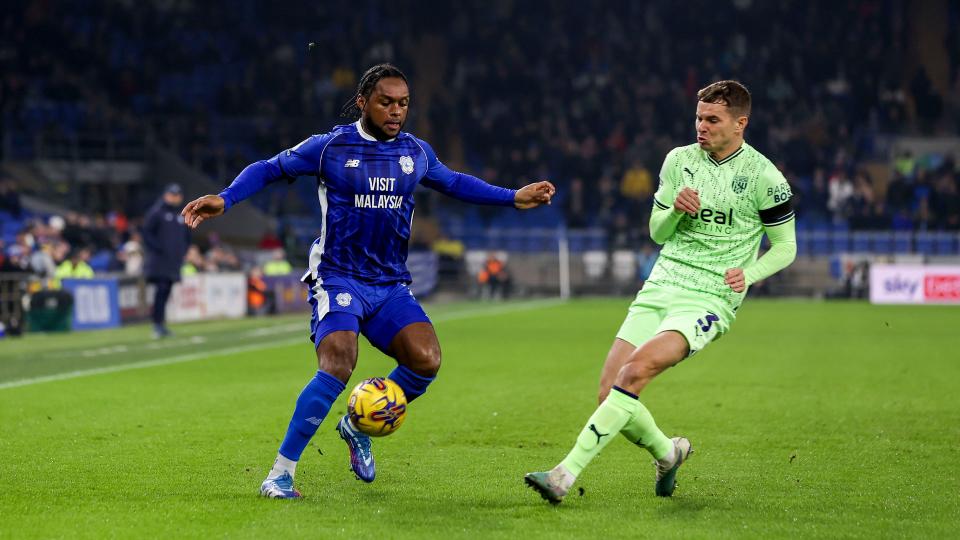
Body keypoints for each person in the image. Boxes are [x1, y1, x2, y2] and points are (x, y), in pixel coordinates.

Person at [180, 64, 555, 499]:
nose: (396, 111)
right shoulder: (330, 148)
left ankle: (356, 424)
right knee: (339, 360)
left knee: (426, 360)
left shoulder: (416, 153)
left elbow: (454, 182)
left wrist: (512, 197)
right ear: (363, 102)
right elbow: (268, 168)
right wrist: (225, 199)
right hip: (338, 276)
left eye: (403, 104)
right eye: (386, 102)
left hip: (390, 284)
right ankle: (280, 474)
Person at [525, 80, 797, 504]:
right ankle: (668, 453)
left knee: (633, 374)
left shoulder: (764, 176)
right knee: (608, 391)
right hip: (663, 282)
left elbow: (786, 247)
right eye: (698, 118)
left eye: (712, 120)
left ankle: (563, 474)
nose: (701, 127)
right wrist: (674, 210)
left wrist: (750, 273)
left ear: (740, 123)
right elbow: (657, 232)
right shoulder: (679, 161)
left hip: (710, 296)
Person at [142, 183, 190, 338]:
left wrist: (183, 251)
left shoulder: (180, 215)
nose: (175, 198)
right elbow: (147, 233)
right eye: (172, 194)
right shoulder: (157, 212)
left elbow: (186, 237)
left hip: (173, 262)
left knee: (167, 291)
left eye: (177, 195)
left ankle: (161, 324)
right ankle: (157, 324)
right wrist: (159, 249)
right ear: (166, 195)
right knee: (161, 291)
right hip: (160, 261)